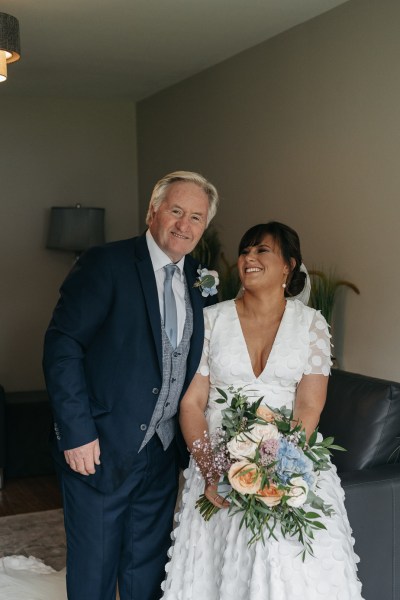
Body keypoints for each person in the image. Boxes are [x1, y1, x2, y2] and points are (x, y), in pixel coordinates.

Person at [23, 170, 219, 600]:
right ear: (153, 212)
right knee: (93, 573)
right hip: (98, 447)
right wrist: (76, 431)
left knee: (146, 571)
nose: (184, 225)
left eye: (196, 218)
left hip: (162, 453)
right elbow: (63, 345)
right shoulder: (105, 263)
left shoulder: (200, 278)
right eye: (176, 211)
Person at [161, 222, 364, 600]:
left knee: (287, 564)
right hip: (217, 459)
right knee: (225, 565)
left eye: (261, 251)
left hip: (293, 459)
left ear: (289, 265)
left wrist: (280, 467)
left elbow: (309, 404)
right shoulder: (210, 320)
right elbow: (191, 403)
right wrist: (211, 469)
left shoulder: (311, 324)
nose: (248, 258)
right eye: (245, 251)